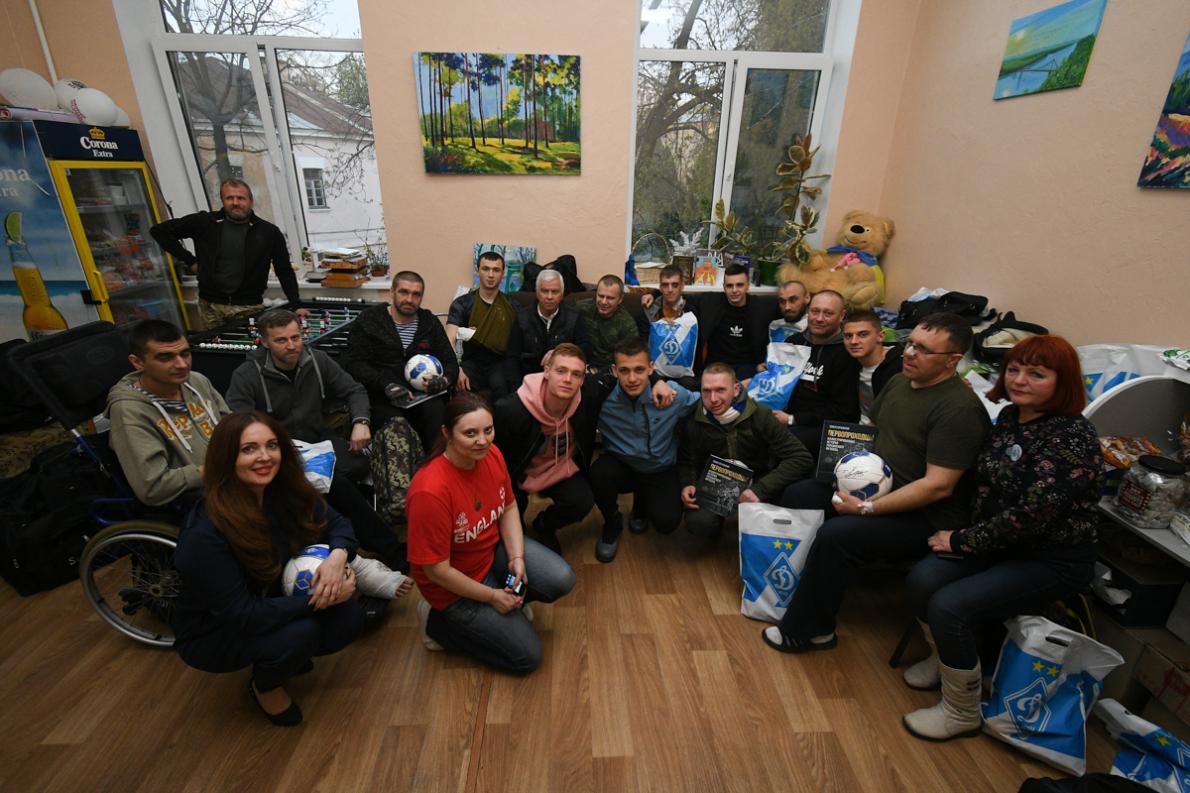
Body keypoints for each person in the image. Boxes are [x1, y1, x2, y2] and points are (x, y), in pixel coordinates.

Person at [901, 335, 1102, 740]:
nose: (1020, 380)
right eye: (1014, 369)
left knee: (949, 606)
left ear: (1062, 382)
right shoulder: (1011, 416)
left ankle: (961, 711)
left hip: (1051, 559)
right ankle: (946, 660)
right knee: (923, 579)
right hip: (1000, 543)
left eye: (1036, 374)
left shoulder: (1071, 438)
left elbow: (1031, 516)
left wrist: (961, 541)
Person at [762, 313, 991, 655]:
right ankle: (789, 589)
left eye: (924, 350)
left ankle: (811, 630)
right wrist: (842, 470)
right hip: (875, 483)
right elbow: (870, 432)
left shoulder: (958, 409)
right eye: (910, 344)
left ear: (952, 361)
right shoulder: (900, 382)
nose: (909, 353)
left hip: (924, 515)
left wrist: (867, 507)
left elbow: (938, 486)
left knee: (837, 535)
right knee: (801, 493)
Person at [171, 411, 365, 726]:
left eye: (271, 445)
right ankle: (266, 686)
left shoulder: (284, 491)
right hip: (214, 629)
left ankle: (286, 656)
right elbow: (243, 614)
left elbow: (339, 524)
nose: (264, 457)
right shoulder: (204, 534)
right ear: (226, 458)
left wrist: (338, 556)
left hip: (269, 599)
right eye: (249, 449)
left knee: (348, 617)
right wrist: (324, 597)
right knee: (301, 634)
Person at [226, 308, 412, 578]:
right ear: (264, 342)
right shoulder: (246, 375)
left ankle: (364, 536)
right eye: (281, 340)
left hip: (318, 440)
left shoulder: (316, 359)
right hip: (275, 452)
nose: (292, 346)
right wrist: (273, 447)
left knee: (363, 465)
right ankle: (388, 551)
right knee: (338, 486)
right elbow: (238, 425)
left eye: (296, 337)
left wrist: (361, 421)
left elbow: (354, 390)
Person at [407, 393, 577, 672]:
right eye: (470, 433)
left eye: (488, 430)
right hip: (452, 588)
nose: (482, 441)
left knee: (562, 578)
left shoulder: (491, 454)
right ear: (447, 433)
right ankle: (436, 623)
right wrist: (492, 597)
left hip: (490, 554)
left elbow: (508, 506)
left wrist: (517, 558)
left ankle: (504, 605)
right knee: (527, 657)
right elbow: (436, 571)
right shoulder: (430, 491)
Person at [592, 337, 701, 562]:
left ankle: (641, 507)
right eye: (624, 370)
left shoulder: (673, 395)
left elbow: (708, 400)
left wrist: (742, 392)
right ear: (614, 371)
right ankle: (612, 523)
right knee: (599, 473)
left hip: (661, 468)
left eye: (639, 370)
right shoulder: (602, 398)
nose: (632, 379)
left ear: (651, 368)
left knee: (667, 523)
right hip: (623, 466)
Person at [678, 363, 813, 539]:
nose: (713, 399)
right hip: (717, 484)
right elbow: (687, 460)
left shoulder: (760, 414)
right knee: (699, 522)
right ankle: (718, 525)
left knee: (777, 516)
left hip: (758, 481)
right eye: (706, 391)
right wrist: (688, 483)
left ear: (736, 389)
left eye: (720, 390)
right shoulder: (694, 419)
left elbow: (801, 457)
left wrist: (760, 489)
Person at [149, 178, 304, 328]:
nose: (235, 202)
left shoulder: (269, 232)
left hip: (249, 307)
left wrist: (296, 304)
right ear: (223, 201)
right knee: (215, 346)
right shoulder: (204, 222)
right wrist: (191, 261)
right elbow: (159, 231)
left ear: (251, 201)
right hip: (210, 306)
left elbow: (284, 270)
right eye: (229, 198)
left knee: (250, 346)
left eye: (241, 198)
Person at [106, 319, 229, 507]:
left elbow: (232, 425)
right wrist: (218, 469)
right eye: (165, 357)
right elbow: (153, 487)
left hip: (233, 476)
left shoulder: (197, 381)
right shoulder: (129, 411)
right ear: (137, 362)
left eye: (185, 354)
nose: (181, 365)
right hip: (203, 499)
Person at [343, 270, 457, 453]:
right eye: (404, 292)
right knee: (397, 427)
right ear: (392, 292)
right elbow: (354, 363)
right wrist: (385, 385)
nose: (409, 299)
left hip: (424, 398)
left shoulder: (429, 323)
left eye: (416, 294)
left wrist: (444, 380)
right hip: (383, 399)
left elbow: (450, 362)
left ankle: (436, 465)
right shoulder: (369, 320)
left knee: (437, 413)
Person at [771, 290, 860, 456]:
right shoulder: (793, 342)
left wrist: (792, 419)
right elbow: (778, 385)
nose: (819, 318)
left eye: (828, 313)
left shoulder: (848, 353)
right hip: (785, 414)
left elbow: (843, 412)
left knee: (783, 443)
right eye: (815, 311)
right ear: (808, 311)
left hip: (822, 426)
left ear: (842, 316)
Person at [446, 250, 519, 400]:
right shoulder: (462, 303)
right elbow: (449, 338)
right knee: (459, 389)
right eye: (486, 269)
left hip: (500, 363)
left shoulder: (513, 306)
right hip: (472, 362)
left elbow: (521, 339)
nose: (490, 275)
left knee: (503, 388)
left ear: (502, 273)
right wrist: (456, 369)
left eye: (496, 270)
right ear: (478, 271)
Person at [506, 269, 592, 379]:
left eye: (555, 292)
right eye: (545, 291)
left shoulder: (574, 317)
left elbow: (586, 347)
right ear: (537, 293)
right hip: (528, 376)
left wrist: (560, 353)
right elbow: (512, 357)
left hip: (563, 378)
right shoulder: (522, 317)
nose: (549, 297)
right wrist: (518, 387)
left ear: (562, 294)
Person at [697, 263, 773, 381]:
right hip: (716, 367)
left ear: (747, 286)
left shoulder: (762, 306)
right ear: (724, 287)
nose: (734, 290)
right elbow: (681, 299)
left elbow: (788, 305)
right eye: (729, 286)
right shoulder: (710, 301)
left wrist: (765, 363)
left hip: (748, 369)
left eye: (739, 285)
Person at [574, 274, 648, 371]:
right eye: (600, 296)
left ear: (620, 299)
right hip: (581, 362)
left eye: (610, 298)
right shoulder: (581, 308)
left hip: (610, 369)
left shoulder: (627, 323)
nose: (604, 302)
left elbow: (631, 356)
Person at [841, 310, 902, 424]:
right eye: (848, 336)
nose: (854, 341)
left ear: (880, 336)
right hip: (855, 429)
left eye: (863, 335)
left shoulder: (899, 366)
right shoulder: (848, 362)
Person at [767, 279, 810, 343]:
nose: (787, 307)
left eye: (793, 300)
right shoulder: (774, 327)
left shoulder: (817, 328)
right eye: (782, 301)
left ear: (807, 298)